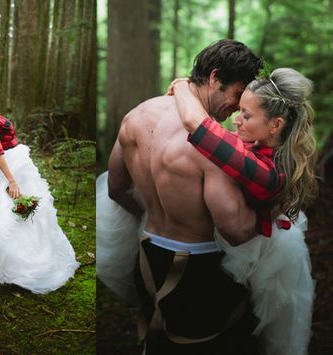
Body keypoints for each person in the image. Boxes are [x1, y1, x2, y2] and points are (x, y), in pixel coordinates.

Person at [97, 39, 263, 354]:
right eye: (238, 94)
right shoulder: (211, 144)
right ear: (215, 78)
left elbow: (116, 189)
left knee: (157, 339)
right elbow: (235, 230)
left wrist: (152, 216)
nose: (239, 107)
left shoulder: (136, 116)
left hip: (147, 257)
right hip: (199, 273)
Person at [168, 68, 317, 355]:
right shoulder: (266, 146)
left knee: (268, 339)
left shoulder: (266, 172)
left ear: (275, 124)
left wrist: (184, 86)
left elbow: (196, 125)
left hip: (268, 258)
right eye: (239, 110)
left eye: (247, 115)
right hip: (257, 245)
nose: (236, 119)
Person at [0, 87, 79, 294]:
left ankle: (41, 252)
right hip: (10, 165)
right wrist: (12, 181)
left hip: (19, 162)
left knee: (34, 210)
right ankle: (16, 263)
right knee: (11, 209)